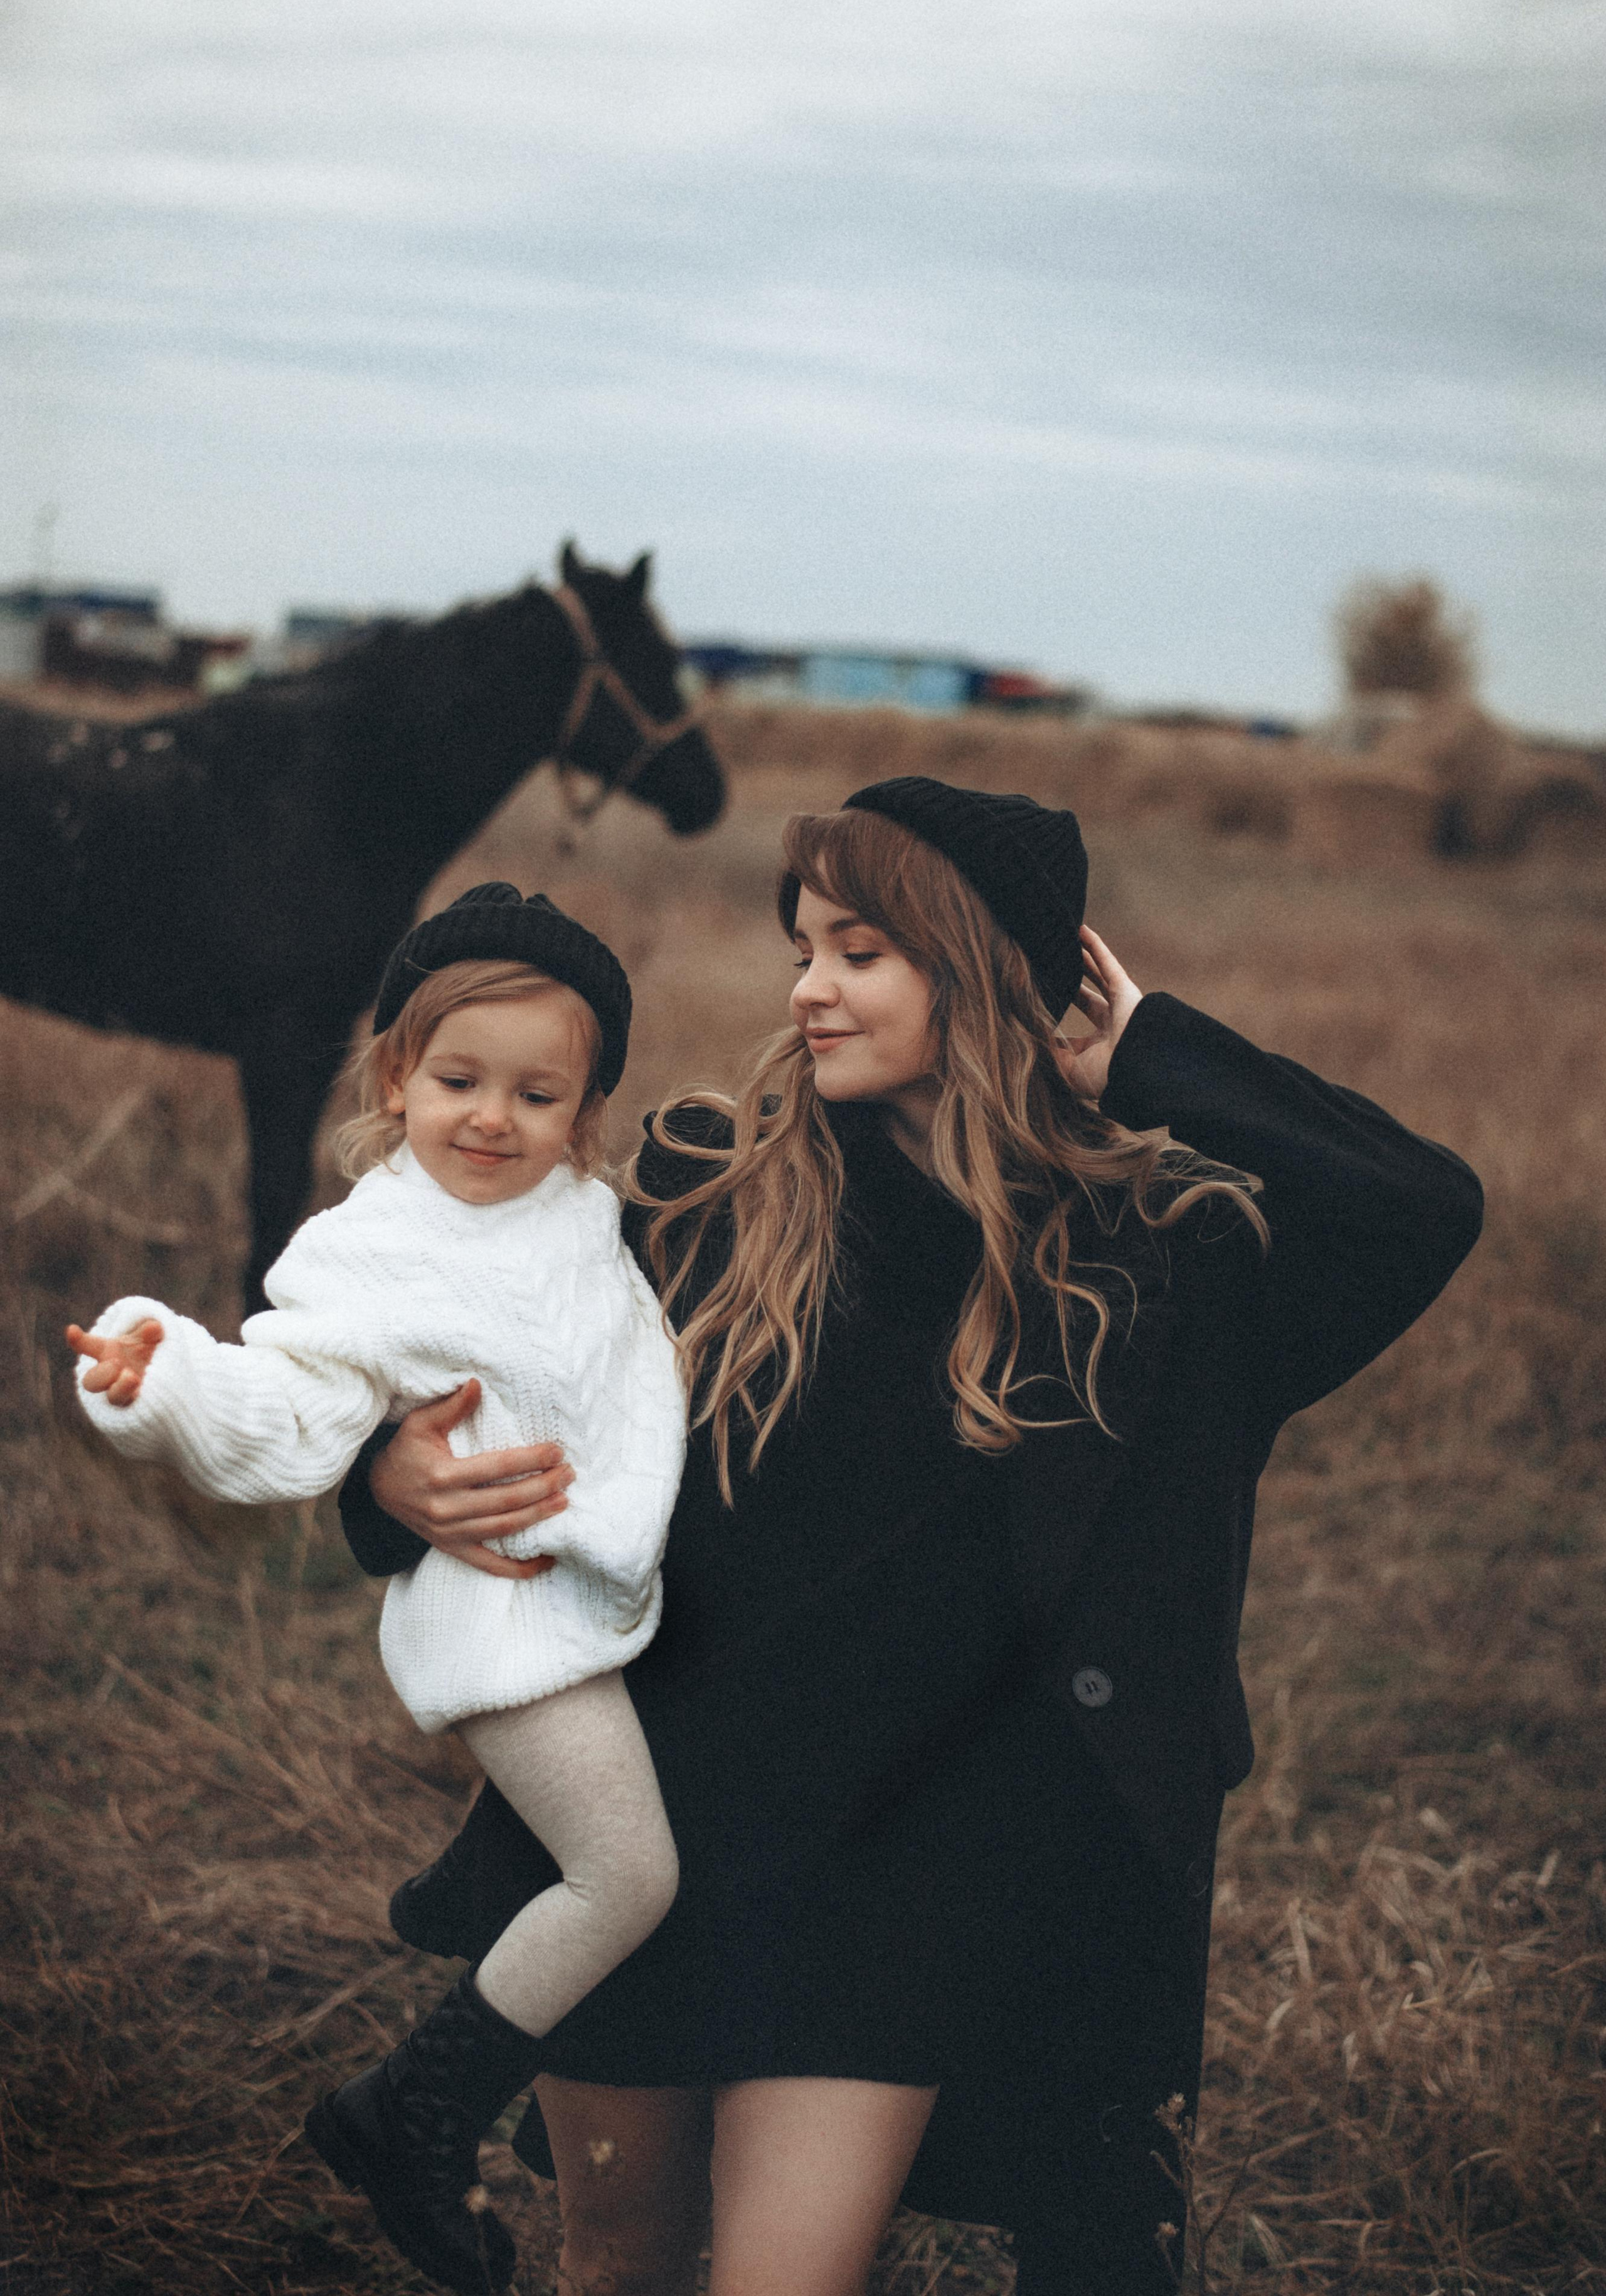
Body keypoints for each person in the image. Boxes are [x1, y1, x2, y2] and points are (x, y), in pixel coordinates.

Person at [338, 779, 1484, 2296]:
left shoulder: (1150, 1271)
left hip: (901, 1891)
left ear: (984, 966)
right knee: (615, 2263)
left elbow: (1418, 1208)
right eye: (802, 948)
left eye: (859, 951)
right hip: (647, 1836)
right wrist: (387, 1478)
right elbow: (433, 1349)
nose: (807, 988)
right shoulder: (706, 1196)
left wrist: (1151, 1051)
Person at [68, 883, 686, 2296]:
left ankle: (466, 1917)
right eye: (459, 1080)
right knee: (627, 1875)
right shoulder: (372, 1251)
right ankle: (412, 2111)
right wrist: (163, 1372)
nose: (493, 1119)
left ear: (585, 1112)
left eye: (538, 1094)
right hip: (508, 1620)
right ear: (396, 1073)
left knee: (618, 1857)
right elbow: (286, 1401)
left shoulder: (581, 1214)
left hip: (599, 1601)